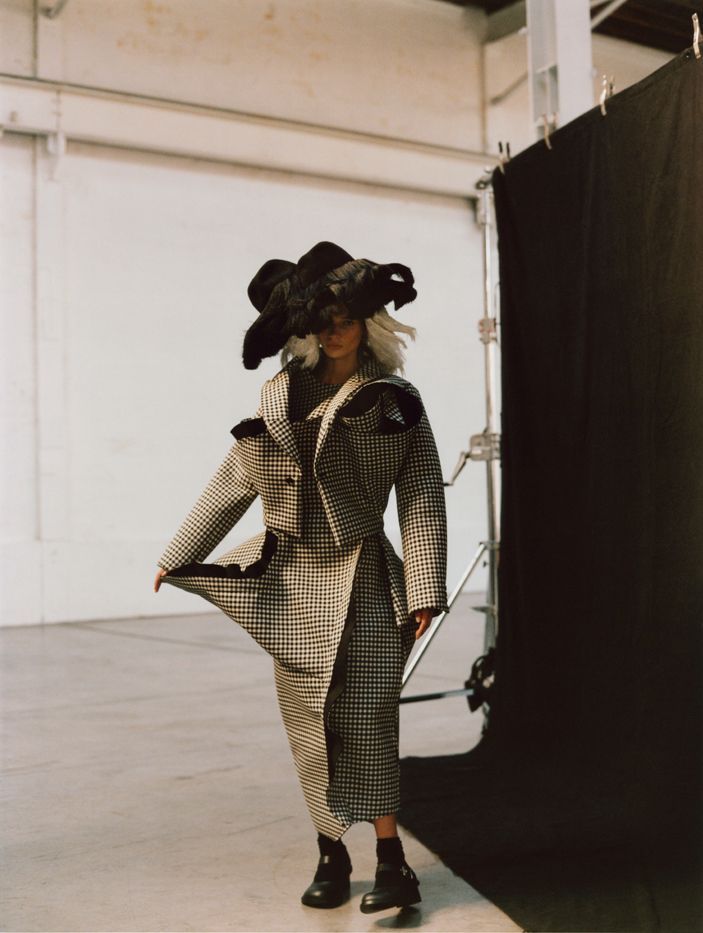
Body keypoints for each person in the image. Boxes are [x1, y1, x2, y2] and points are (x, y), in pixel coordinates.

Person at [153, 242, 447, 913]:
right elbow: (237, 478)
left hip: (366, 575)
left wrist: (425, 588)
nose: (333, 331)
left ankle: (392, 860)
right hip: (290, 582)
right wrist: (179, 552)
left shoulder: (395, 400)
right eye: (321, 321)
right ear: (302, 327)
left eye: (345, 318)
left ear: (368, 322)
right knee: (308, 717)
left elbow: (421, 493)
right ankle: (330, 851)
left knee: (370, 714)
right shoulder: (279, 395)